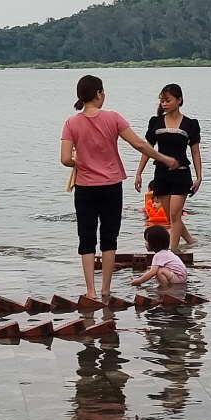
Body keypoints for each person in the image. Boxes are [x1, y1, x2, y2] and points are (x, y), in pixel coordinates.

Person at [61, 74, 182, 300]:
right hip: (111, 186)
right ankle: (106, 289)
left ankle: (91, 291)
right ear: (98, 94)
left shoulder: (71, 123)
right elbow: (138, 143)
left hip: (85, 187)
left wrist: (79, 160)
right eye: (102, 92)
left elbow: (65, 159)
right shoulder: (113, 118)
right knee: (109, 238)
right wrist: (164, 159)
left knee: (86, 238)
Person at [134, 84, 202, 251]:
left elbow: (195, 153)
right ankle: (190, 241)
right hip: (161, 174)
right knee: (172, 217)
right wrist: (139, 173)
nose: (164, 104)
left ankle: (173, 250)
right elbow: (146, 149)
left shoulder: (189, 124)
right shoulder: (156, 122)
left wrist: (199, 177)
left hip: (181, 175)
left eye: (168, 100)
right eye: (162, 101)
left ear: (179, 100)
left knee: (174, 214)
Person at [131, 225, 188, 289]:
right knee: (158, 269)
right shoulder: (166, 253)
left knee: (159, 271)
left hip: (178, 278)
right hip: (182, 277)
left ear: (154, 243)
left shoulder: (158, 255)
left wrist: (138, 281)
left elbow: (152, 272)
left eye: (147, 241)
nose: (145, 243)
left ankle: (165, 288)